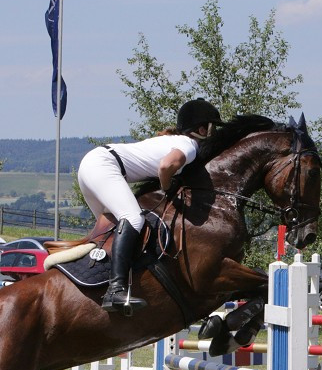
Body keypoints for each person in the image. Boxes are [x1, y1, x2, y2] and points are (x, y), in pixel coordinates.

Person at [77, 98, 223, 313]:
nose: (214, 133)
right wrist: (167, 187)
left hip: (94, 165)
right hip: (103, 166)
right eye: (213, 128)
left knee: (110, 231)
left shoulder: (174, 140)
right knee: (134, 218)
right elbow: (166, 167)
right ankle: (115, 290)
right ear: (201, 129)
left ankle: (96, 280)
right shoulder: (189, 145)